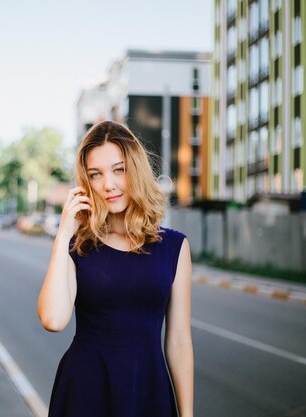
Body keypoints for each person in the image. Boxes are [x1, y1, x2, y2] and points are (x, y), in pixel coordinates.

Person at [37, 120, 193, 417]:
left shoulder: (174, 247)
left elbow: (179, 340)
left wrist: (187, 414)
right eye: (96, 175)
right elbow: (53, 320)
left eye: (118, 170)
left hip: (148, 393)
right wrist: (63, 234)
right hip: (85, 393)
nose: (108, 184)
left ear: (135, 169)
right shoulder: (78, 247)